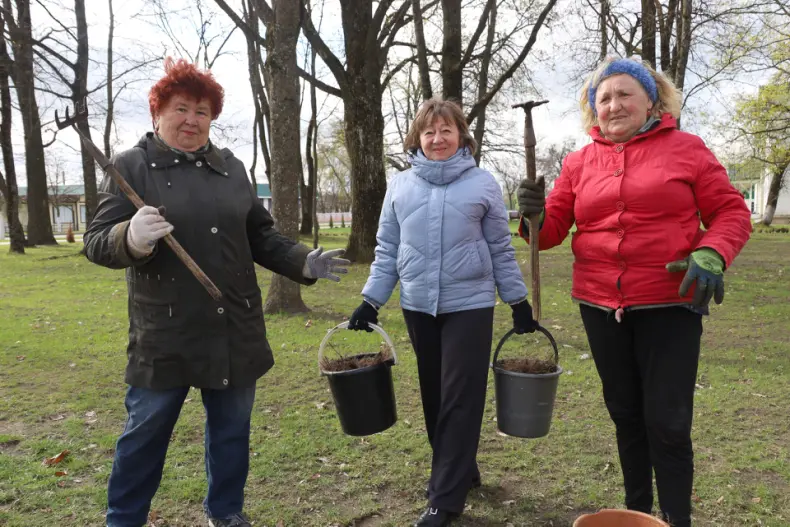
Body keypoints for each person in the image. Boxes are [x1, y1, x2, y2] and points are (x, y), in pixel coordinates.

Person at [83, 58, 349, 527]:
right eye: (181, 108)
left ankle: (225, 513)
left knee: (230, 432)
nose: (192, 119)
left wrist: (302, 260)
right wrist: (130, 235)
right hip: (165, 332)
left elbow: (261, 236)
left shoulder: (231, 167)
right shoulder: (131, 167)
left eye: (203, 111)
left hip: (233, 326)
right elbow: (97, 241)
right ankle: (124, 519)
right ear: (157, 113)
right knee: (145, 434)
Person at [516, 56, 751, 527]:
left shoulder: (687, 149)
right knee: (625, 415)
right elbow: (551, 232)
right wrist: (532, 215)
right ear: (593, 110)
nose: (614, 104)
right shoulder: (580, 162)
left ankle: (676, 519)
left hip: (670, 304)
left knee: (667, 422)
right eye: (604, 98)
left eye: (625, 94)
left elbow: (730, 212)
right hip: (600, 306)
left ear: (651, 100)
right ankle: (637, 514)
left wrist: (711, 253)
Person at [347, 98, 538, 527]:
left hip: (469, 305)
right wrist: (371, 299)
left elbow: (501, 249)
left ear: (461, 136)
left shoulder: (483, 184)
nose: (437, 139)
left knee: (460, 397)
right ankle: (461, 470)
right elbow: (388, 250)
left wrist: (517, 301)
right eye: (429, 132)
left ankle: (443, 500)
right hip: (418, 305)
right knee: (435, 395)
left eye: (446, 130)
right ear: (418, 138)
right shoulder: (399, 186)